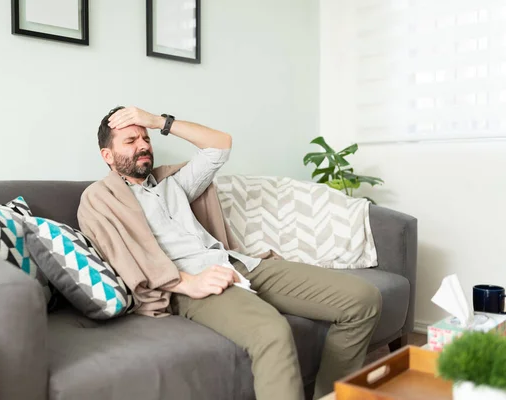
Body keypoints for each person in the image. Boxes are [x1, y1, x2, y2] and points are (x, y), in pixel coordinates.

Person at [77, 106, 382, 400]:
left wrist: (157, 121)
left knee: (363, 301)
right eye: (130, 141)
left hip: (239, 263)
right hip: (193, 283)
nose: (142, 145)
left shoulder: (173, 182)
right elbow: (118, 257)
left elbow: (220, 145)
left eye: (145, 138)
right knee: (272, 331)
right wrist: (184, 283)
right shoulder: (99, 198)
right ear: (108, 155)